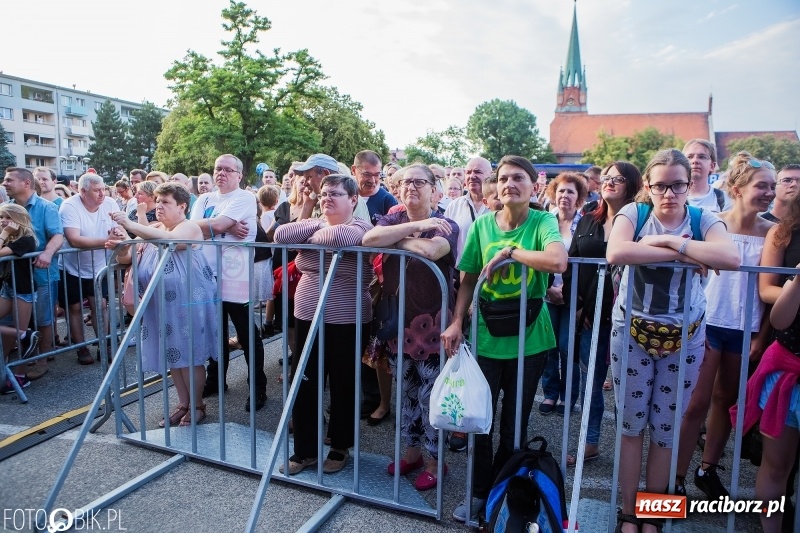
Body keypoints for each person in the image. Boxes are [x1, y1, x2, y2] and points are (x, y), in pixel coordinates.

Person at [605, 149, 739, 533]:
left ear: (688, 184)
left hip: (686, 338)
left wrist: (674, 244)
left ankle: (652, 515)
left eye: (677, 184)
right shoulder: (634, 213)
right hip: (631, 333)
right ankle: (629, 514)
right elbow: (617, 251)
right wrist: (682, 252)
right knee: (631, 428)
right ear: (648, 185)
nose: (669, 193)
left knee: (666, 431)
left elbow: (729, 257)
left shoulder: (702, 218)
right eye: (661, 185)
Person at [441, 155, 568, 522]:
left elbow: (558, 261)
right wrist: (456, 320)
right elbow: (467, 279)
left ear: (534, 186)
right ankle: (481, 493)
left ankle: (502, 492)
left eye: (518, 178)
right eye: (503, 178)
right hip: (486, 339)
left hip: (531, 341)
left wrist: (511, 252)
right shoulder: (482, 226)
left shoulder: (543, 220)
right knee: (480, 421)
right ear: (495, 186)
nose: (509, 183)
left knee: (515, 426)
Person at [672, 152, 776, 499]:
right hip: (708, 321)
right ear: (737, 187)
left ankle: (708, 468)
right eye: (762, 186)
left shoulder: (773, 232)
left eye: (772, 187)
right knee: (695, 403)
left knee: (725, 400)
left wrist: (761, 335)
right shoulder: (711, 222)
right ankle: (676, 477)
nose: (769, 193)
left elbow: (769, 287)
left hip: (746, 327)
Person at [362, 165, 459, 490]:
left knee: (432, 398)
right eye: (404, 182)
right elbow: (369, 238)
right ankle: (412, 453)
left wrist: (396, 242)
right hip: (398, 329)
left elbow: (433, 251)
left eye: (419, 181)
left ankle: (436, 462)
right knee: (406, 397)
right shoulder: (394, 218)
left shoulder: (447, 223)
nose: (410, 187)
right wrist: (414, 229)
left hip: (434, 331)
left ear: (434, 188)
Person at [274, 174, 372, 475]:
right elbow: (280, 236)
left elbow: (341, 239)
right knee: (305, 380)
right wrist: (319, 226)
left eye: (336, 194)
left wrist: (310, 235)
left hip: (348, 318)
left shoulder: (361, 227)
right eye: (325, 193)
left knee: (343, 383)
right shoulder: (318, 222)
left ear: (353, 200)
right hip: (306, 314)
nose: (327, 198)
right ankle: (305, 451)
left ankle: (339, 446)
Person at [108, 183, 218, 427]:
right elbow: (127, 256)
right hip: (162, 304)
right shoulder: (154, 228)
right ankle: (183, 404)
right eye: (157, 201)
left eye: (165, 202)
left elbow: (170, 241)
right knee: (173, 355)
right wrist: (122, 242)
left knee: (190, 356)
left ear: (182, 206)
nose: (159, 205)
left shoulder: (189, 227)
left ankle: (197, 405)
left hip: (188, 303)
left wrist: (130, 223)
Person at [562, 161, 642, 466]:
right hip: (590, 315)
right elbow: (572, 262)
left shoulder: (642, 221)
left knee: (630, 385)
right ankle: (591, 441)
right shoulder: (588, 218)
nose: (608, 182)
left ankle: (632, 447)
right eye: (606, 177)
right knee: (591, 381)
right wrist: (577, 303)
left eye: (617, 178)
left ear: (632, 185)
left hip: (630, 317)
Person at [190, 154, 267, 412]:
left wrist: (220, 226)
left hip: (236, 277)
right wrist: (225, 229)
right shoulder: (204, 198)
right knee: (216, 333)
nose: (221, 173)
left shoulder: (244, 197)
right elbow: (190, 228)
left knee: (246, 333)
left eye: (227, 170)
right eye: (217, 169)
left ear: (239, 175)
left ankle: (257, 387)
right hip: (207, 275)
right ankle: (215, 380)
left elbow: (209, 225)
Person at [750, 190, 800, 533]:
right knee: (775, 466)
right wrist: (797, 281)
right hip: (787, 371)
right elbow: (780, 319)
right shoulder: (786, 231)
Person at [5, 168, 64, 380]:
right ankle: (15, 362)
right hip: (12, 277)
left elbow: (58, 236)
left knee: (44, 319)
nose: (5, 183)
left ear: (26, 183)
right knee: (14, 321)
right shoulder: (7, 208)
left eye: (9, 180)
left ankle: (42, 360)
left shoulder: (46, 208)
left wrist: (47, 253)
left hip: (41, 274)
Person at [59, 173, 120, 365]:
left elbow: (119, 229)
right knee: (74, 307)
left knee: (100, 305)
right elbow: (74, 239)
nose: (102, 194)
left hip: (98, 266)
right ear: (82, 191)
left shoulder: (110, 203)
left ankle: (106, 345)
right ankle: (81, 347)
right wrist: (108, 241)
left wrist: (117, 232)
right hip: (71, 267)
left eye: (103, 189)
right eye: (96, 190)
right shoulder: (69, 206)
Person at [540, 172, 587, 416]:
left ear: (579, 198)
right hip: (548, 294)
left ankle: (568, 398)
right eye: (560, 191)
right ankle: (550, 393)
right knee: (549, 346)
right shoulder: (545, 221)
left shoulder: (586, 223)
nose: (564, 195)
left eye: (570, 191)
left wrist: (568, 292)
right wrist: (548, 289)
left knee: (568, 347)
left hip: (573, 297)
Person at [0, 204, 39, 363]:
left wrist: (4, 232)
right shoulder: (10, 237)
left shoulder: (26, 239)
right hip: (8, 288)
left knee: (20, 330)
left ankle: (20, 374)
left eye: (8, 217)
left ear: (19, 219)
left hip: (23, 291)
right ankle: (24, 335)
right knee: (18, 332)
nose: (3, 221)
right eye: (1, 217)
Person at [354, 150, 397, 226]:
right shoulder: (345, 195)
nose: (372, 181)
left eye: (377, 175)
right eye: (367, 174)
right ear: (354, 170)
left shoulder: (387, 200)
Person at [684, 139, 726, 213]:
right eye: (690, 157)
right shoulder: (672, 198)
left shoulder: (725, 200)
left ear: (712, 166)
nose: (695, 161)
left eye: (701, 157)